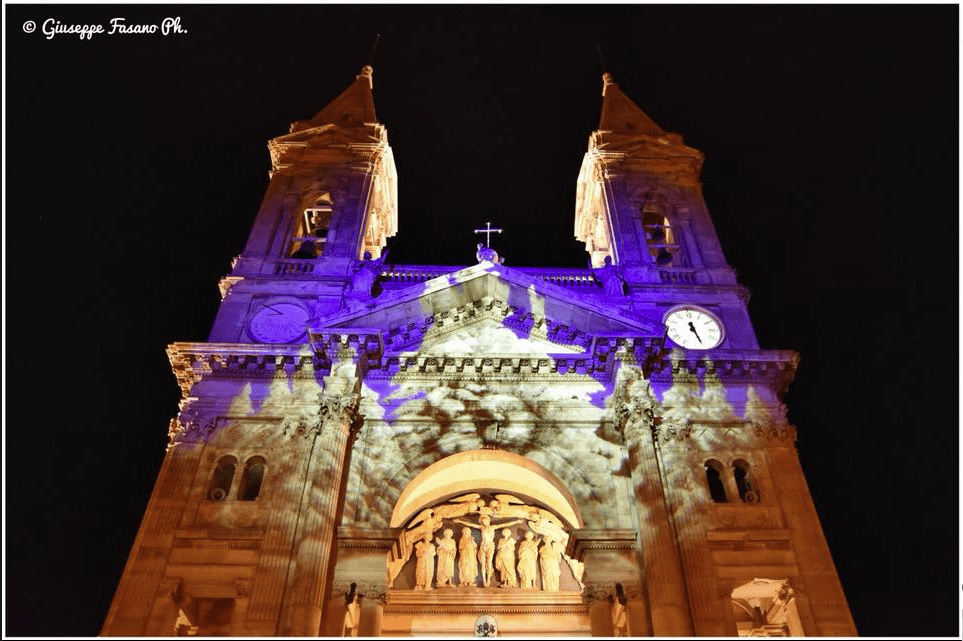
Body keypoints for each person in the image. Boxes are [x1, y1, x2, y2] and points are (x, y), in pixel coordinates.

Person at [455, 514, 522, 587]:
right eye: (483, 522)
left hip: (490, 547)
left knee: (489, 564)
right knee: (483, 564)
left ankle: (488, 581)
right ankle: (484, 581)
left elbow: (504, 524)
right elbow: (471, 525)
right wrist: (460, 521)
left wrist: (516, 522)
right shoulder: (482, 528)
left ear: (488, 520)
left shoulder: (493, 527)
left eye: (485, 521)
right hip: (483, 546)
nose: (484, 523)